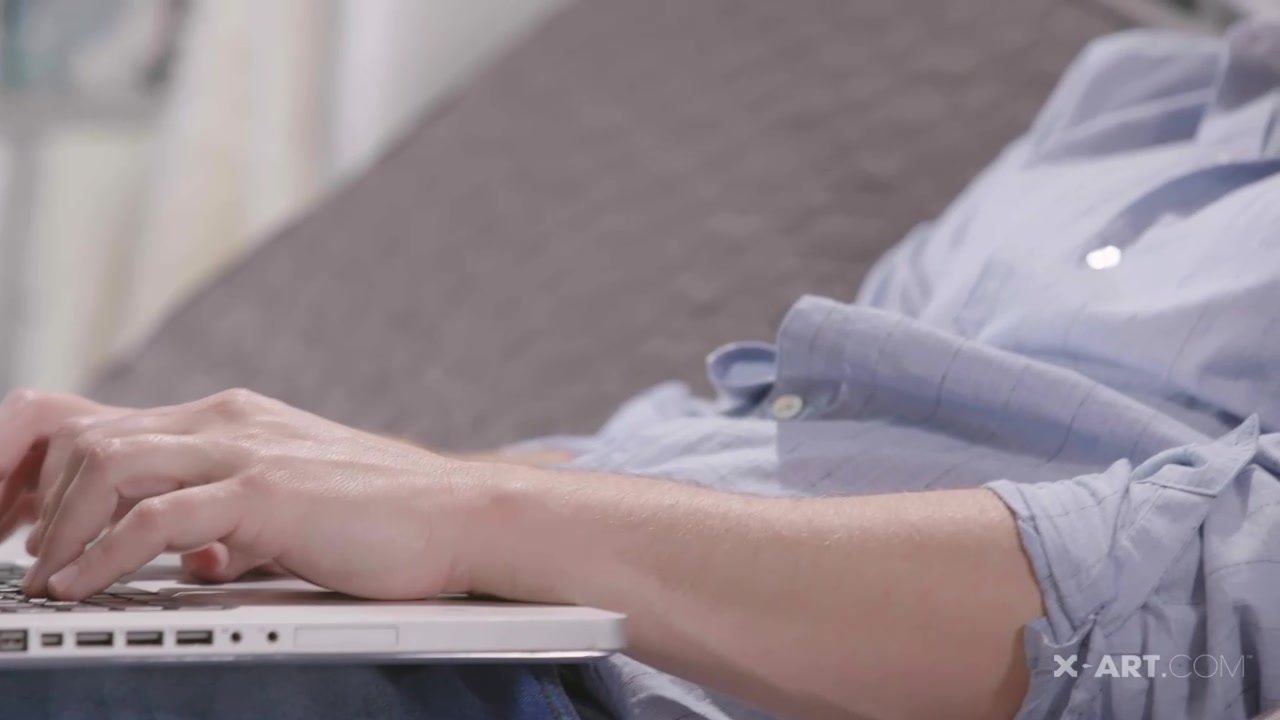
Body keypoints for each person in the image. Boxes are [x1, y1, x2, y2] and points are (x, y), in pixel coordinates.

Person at [0, 18, 1277, 720]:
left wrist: (472, 517)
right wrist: (245, 486)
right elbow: (761, 441)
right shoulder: (1137, 99)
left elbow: (1218, 628)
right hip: (521, 629)